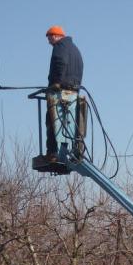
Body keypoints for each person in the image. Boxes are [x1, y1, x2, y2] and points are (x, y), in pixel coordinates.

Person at [44, 25, 84, 163]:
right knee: (72, 124)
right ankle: (76, 150)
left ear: (55, 36)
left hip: (60, 93)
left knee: (52, 121)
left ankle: (53, 153)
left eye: (49, 39)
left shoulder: (60, 47)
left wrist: (56, 82)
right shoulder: (75, 50)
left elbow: (60, 62)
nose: (49, 42)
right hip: (73, 92)